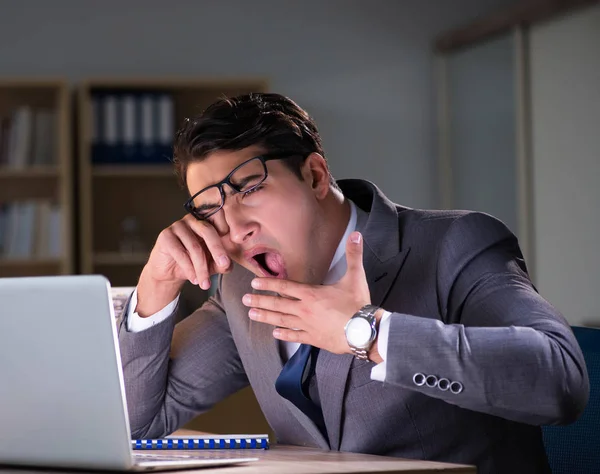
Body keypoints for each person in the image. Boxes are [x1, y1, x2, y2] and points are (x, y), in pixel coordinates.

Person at [117, 92, 589, 474]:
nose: (235, 226)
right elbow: (138, 423)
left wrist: (366, 330)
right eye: (210, 208)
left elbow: (560, 381)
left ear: (316, 175)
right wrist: (155, 288)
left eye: (250, 188)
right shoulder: (242, 288)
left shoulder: (453, 243)